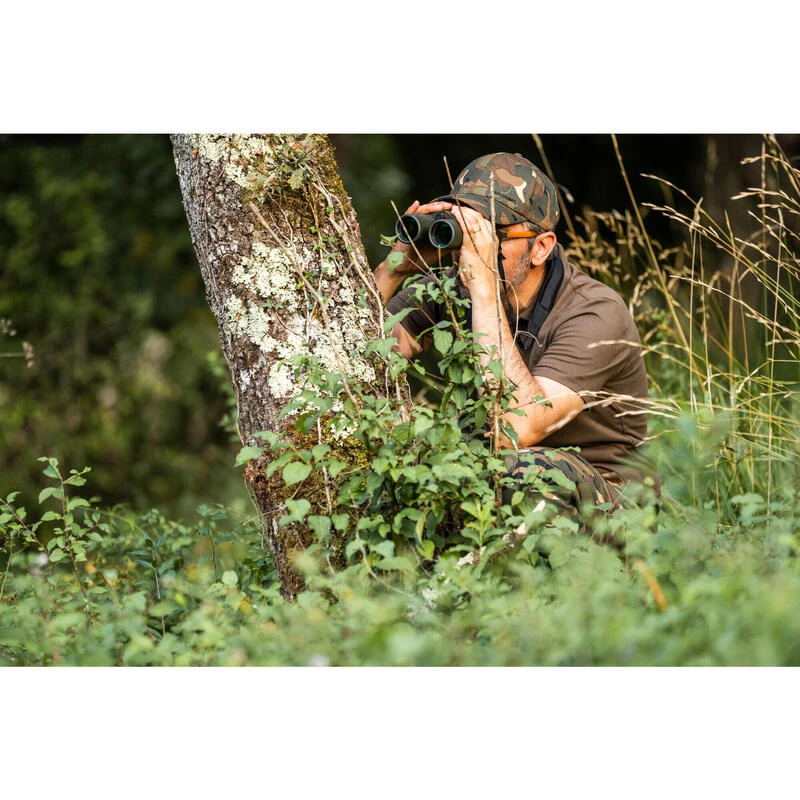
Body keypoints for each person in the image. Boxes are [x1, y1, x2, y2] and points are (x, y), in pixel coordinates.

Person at [372, 152, 657, 528]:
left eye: (493, 236)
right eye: (466, 229)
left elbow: (516, 430)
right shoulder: (455, 289)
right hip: (496, 481)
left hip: (608, 503)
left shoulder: (595, 311)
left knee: (524, 472)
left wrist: (484, 292)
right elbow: (363, 354)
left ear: (541, 247)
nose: (472, 249)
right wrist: (395, 267)